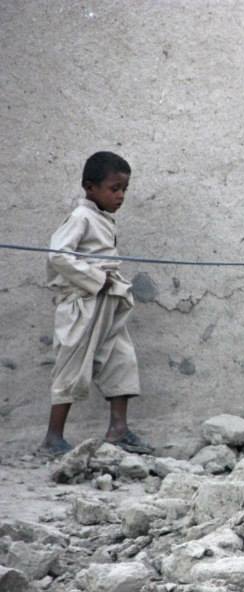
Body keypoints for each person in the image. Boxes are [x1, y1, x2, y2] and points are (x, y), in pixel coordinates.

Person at [41, 151, 152, 455]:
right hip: (84, 305)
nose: (120, 196)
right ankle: (53, 437)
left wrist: (107, 283)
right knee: (71, 366)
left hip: (108, 302)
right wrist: (95, 277)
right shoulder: (80, 217)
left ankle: (118, 429)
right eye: (114, 189)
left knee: (122, 359)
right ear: (90, 187)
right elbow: (58, 255)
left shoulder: (102, 218)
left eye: (124, 190)